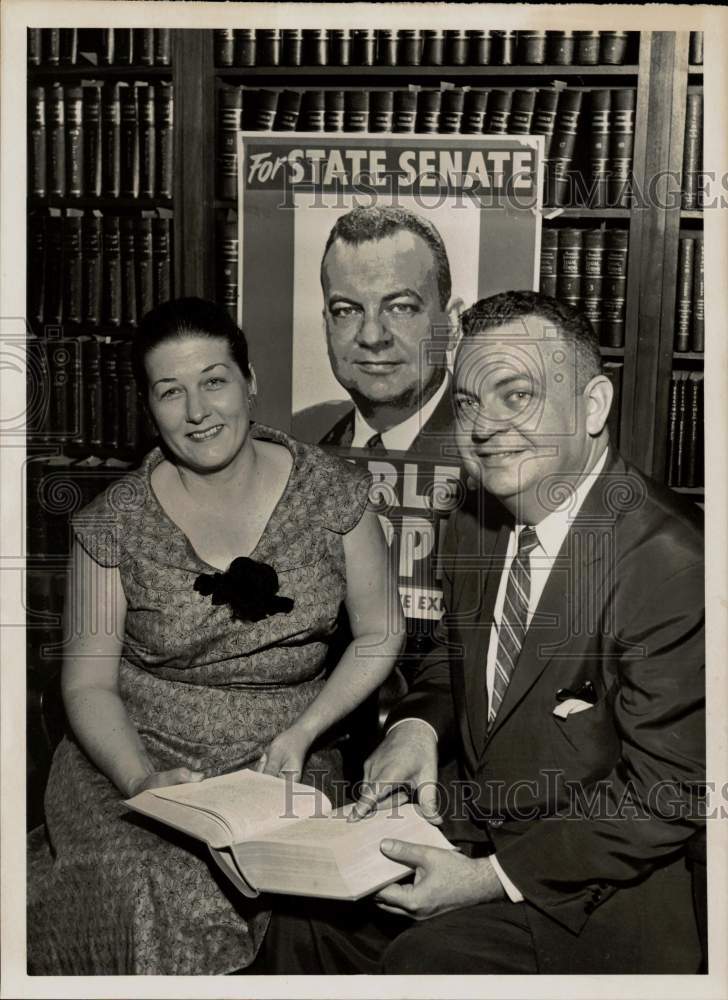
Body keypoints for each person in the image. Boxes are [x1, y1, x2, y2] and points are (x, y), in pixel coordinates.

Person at [262, 291, 706, 975]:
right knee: (301, 921)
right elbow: (456, 653)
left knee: (424, 963)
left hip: (597, 894)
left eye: (516, 395)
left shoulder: (673, 566)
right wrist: (418, 728)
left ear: (592, 407)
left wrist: (490, 878)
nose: (485, 426)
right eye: (468, 401)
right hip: (477, 825)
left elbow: (665, 792)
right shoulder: (477, 516)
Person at [27, 297, 404, 975]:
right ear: (149, 408)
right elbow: (86, 682)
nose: (198, 410)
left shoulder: (335, 494)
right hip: (134, 754)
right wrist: (139, 778)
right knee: (145, 877)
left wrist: (304, 732)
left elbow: (380, 633)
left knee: (266, 876)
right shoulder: (111, 524)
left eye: (214, 380)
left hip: (282, 752)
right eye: (171, 391)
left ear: (250, 380)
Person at [292, 205, 462, 458]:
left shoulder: (492, 447)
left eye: (400, 308)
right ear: (325, 324)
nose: (372, 337)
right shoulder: (297, 437)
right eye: (347, 310)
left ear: (451, 325)